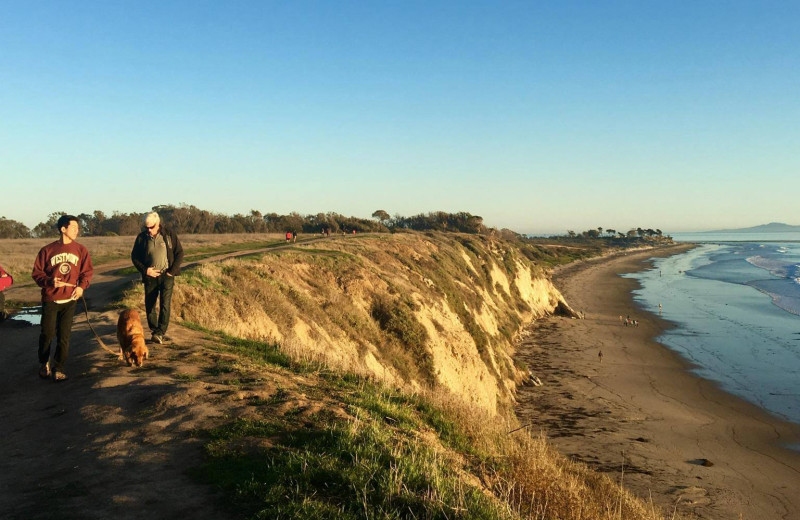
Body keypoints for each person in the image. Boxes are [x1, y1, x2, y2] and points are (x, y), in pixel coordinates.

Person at [31, 215, 94, 381]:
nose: (77, 231)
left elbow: (87, 272)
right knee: (47, 334)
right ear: (63, 229)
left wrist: (81, 287)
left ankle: (58, 368)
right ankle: (43, 362)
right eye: (73, 228)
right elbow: (37, 273)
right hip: (51, 299)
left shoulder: (81, 250)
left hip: (70, 299)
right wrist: (49, 281)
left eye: (77, 228)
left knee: (64, 336)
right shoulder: (47, 250)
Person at [130, 212, 184, 344]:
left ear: (158, 223)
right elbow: (134, 257)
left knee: (165, 304)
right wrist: (145, 270)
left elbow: (180, 253)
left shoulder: (169, 234)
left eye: (151, 226)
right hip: (150, 276)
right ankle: (155, 331)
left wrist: (171, 272)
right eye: (146, 227)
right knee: (150, 305)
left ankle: (161, 331)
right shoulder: (142, 237)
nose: (148, 229)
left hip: (167, 275)